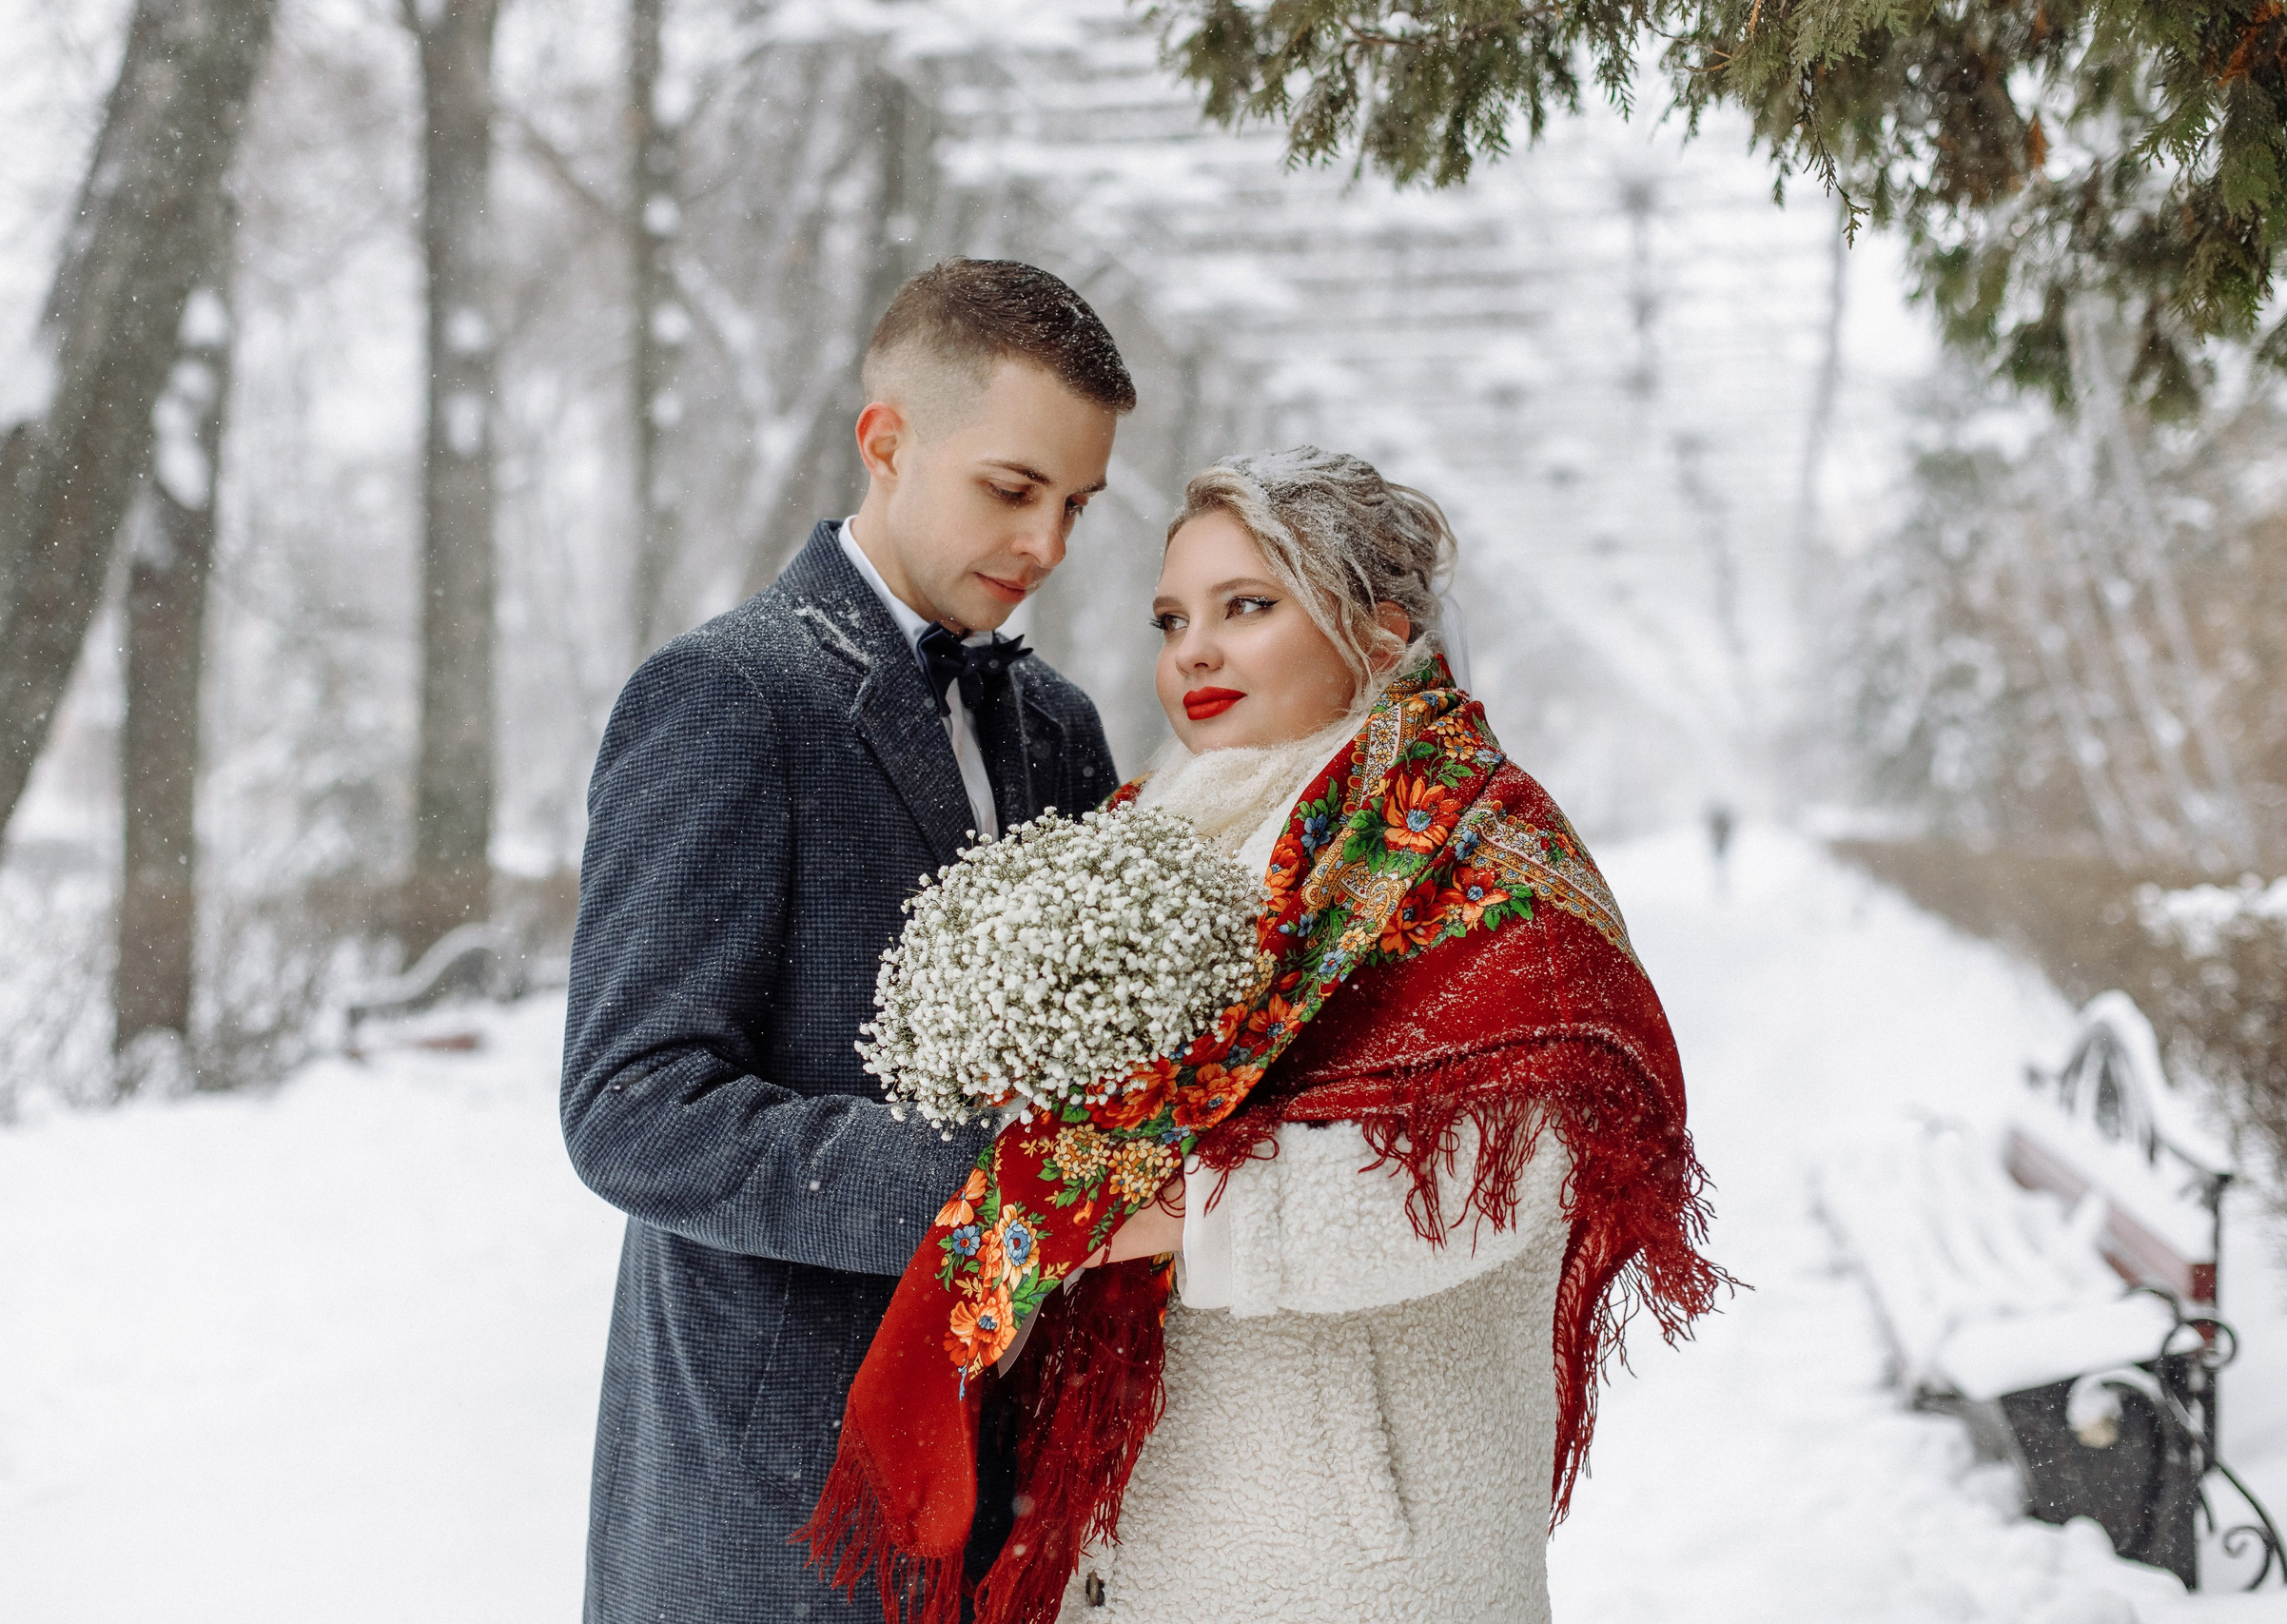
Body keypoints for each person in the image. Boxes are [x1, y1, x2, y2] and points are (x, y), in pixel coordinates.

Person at [803, 449, 1724, 1624]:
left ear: (1379, 633)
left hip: (1356, 1551)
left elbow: (1500, 1177)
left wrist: (1177, 1213)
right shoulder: (1149, 835)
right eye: (1171, 618)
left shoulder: (1478, 850)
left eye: (1247, 606)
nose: (1191, 650)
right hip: (1140, 1522)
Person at [560, 259, 1133, 1624]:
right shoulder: (722, 697)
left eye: (1077, 505)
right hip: (778, 1486)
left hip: (1019, 1475)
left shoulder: (1059, 725)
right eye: (1013, 488)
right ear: (886, 441)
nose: (1048, 541)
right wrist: (990, 1189)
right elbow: (632, 1108)